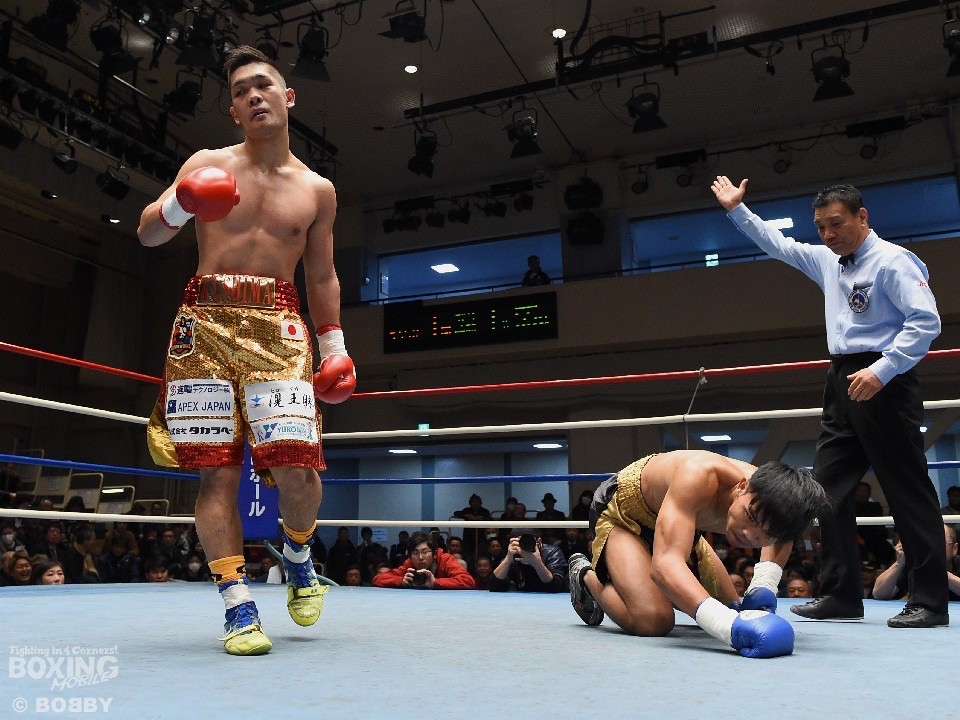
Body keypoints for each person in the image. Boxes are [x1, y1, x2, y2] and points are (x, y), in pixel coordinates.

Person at [137, 46, 356, 655]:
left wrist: (335, 346)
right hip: (203, 323)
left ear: (289, 97)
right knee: (217, 473)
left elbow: (322, 276)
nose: (253, 95)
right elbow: (147, 233)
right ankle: (238, 605)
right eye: (240, 91)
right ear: (233, 111)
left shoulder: (317, 190)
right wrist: (181, 202)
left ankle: (298, 551)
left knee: (299, 472)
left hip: (279, 329)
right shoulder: (207, 163)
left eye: (263, 85)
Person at [711, 176, 949, 629]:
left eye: (836, 223)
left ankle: (930, 602)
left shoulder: (893, 261)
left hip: (885, 379)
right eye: (820, 226)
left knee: (908, 491)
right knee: (826, 490)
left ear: (862, 216)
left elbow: (925, 322)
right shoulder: (827, 259)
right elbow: (779, 245)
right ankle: (840, 594)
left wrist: (883, 370)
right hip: (841, 379)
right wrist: (737, 210)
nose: (827, 234)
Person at [568, 451, 828, 659]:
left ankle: (633, 581)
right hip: (623, 515)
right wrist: (725, 626)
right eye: (750, 517)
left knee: (734, 608)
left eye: (766, 534)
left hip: (678, 529)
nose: (749, 535)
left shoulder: (778, 505)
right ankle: (586, 576)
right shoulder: (699, 475)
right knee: (654, 621)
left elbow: (782, 538)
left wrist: (764, 586)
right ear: (741, 486)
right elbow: (665, 566)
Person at [872, 525, 960, 602]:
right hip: (923, 614)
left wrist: (938, 570)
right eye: (928, 542)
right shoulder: (913, 565)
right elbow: (879, 594)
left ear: (955, 548)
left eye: (940, 542)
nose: (933, 547)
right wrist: (899, 563)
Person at [371, 531, 476, 589]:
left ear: (434, 554)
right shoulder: (409, 563)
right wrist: (401, 581)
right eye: (415, 553)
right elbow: (378, 579)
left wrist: (435, 582)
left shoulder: (445, 559)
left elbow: (468, 581)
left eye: (425, 552)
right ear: (410, 555)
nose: (420, 557)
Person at [488, 528, 567, 593]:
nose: (525, 545)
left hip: (549, 600)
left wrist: (537, 563)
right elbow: (494, 586)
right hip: (521, 601)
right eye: (520, 541)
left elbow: (556, 587)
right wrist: (508, 559)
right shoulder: (513, 553)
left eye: (529, 541)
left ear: (539, 542)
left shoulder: (551, 552)